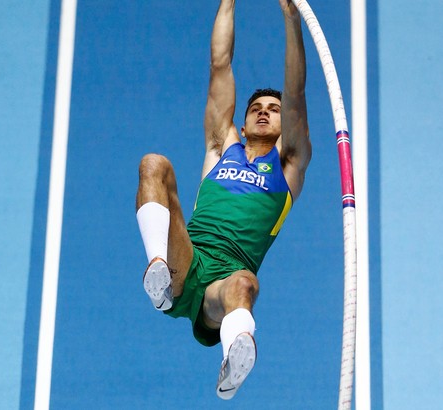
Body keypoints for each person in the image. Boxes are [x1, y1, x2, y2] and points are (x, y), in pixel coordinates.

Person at [135, 0, 310, 400]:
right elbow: (220, 63)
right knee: (154, 165)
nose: (264, 114)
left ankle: (234, 361)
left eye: (273, 110)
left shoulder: (288, 167)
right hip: (188, 259)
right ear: (243, 123)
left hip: (224, 281)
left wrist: (290, 18)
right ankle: (158, 274)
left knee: (246, 285)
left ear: (285, 125)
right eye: (256, 109)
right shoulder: (221, 146)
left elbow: (296, 92)